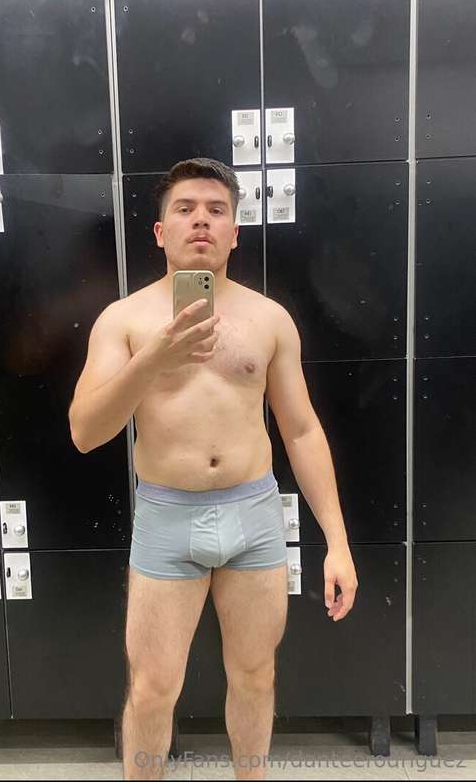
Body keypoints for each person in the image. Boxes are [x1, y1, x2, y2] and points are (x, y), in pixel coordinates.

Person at [68, 157, 358, 780]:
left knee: (256, 675)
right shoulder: (124, 320)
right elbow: (86, 432)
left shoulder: (269, 319)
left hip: (254, 514)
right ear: (160, 232)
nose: (201, 220)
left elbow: (302, 430)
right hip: (167, 517)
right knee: (152, 687)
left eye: (216, 210)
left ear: (234, 233)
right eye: (185, 209)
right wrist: (153, 359)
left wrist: (337, 542)